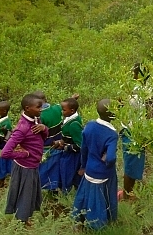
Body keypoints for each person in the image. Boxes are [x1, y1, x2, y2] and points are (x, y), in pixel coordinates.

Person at [0, 94, 48, 226]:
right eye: (38, 107)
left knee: (29, 193)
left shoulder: (35, 119)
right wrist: (25, 154)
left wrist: (44, 129)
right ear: (27, 108)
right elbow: (5, 153)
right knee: (25, 196)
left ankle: (24, 218)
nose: (41, 109)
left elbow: (42, 138)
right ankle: (21, 223)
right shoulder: (22, 128)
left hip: (32, 165)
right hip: (25, 166)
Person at [73, 99, 118, 231]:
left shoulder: (90, 125)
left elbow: (84, 148)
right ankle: (97, 225)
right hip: (103, 173)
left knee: (85, 196)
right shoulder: (112, 134)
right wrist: (107, 161)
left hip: (90, 169)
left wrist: (83, 165)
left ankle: (79, 219)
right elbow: (110, 157)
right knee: (101, 199)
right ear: (113, 115)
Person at [119, 63, 153, 201]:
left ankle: (127, 194)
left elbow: (118, 106)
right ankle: (127, 194)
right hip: (138, 130)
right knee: (132, 163)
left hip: (130, 130)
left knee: (132, 163)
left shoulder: (129, 89)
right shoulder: (148, 90)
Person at [33, 91, 79, 194]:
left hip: (47, 148)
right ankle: (55, 190)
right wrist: (73, 98)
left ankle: (44, 192)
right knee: (56, 171)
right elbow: (65, 105)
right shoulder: (56, 108)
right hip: (59, 145)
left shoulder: (40, 116)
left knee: (45, 171)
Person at [56, 98, 83, 193]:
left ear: (72, 111)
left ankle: (66, 193)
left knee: (67, 172)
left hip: (73, 155)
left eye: (64, 110)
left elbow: (80, 145)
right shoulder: (69, 119)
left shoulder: (73, 125)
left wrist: (65, 147)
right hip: (69, 152)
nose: (62, 112)